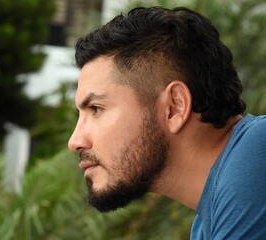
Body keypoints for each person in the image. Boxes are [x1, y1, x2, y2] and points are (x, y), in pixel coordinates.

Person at [67, 6, 266, 240]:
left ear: (174, 107)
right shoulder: (206, 226)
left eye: (96, 109)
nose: (75, 141)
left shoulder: (256, 155)